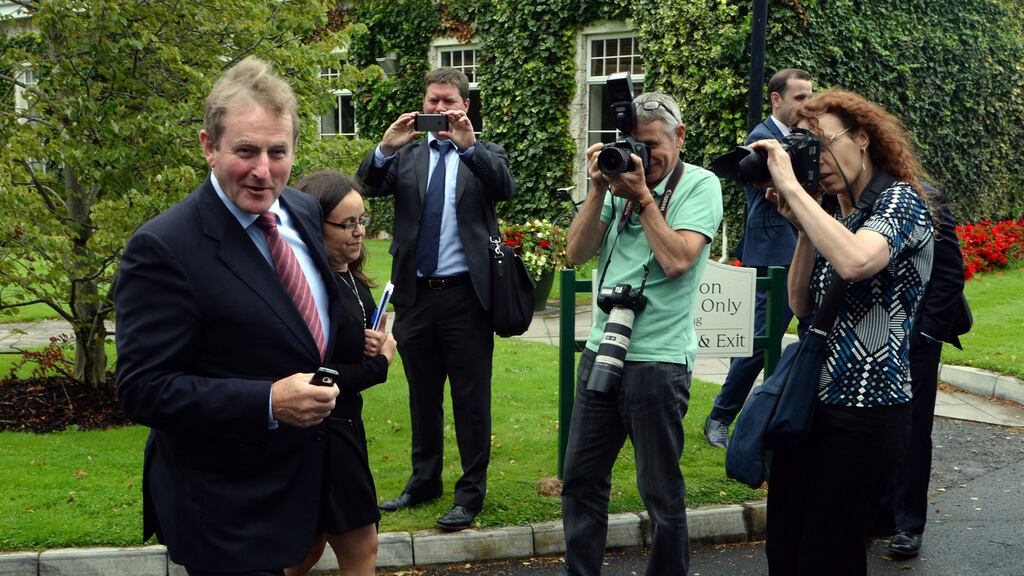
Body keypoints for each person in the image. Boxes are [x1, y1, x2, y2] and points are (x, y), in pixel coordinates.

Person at [115, 56, 342, 575]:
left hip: (306, 486)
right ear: (208, 147)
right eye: (245, 150)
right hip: (225, 510)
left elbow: (304, 330)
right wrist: (267, 401)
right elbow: (143, 388)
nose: (263, 170)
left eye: (277, 152)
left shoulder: (303, 211)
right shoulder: (164, 247)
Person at [756, 89, 934, 576]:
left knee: (829, 554)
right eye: (805, 148)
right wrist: (801, 229)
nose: (819, 160)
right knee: (786, 548)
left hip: (868, 411)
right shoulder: (833, 214)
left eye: (824, 143)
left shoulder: (902, 202)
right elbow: (801, 305)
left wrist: (793, 189)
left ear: (862, 138)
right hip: (812, 404)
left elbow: (857, 262)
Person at [561, 92, 724, 576]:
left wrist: (643, 198)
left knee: (659, 490)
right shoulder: (615, 183)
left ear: (680, 136)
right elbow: (575, 252)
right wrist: (596, 189)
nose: (643, 157)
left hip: (659, 361)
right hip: (601, 350)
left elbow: (677, 260)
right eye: (635, 146)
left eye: (653, 145)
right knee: (581, 480)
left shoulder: (700, 184)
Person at [355, 67, 516, 531]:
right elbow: (366, 185)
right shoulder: (407, 155)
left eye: (448, 101)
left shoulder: (484, 153)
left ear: (465, 105)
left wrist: (468, 147)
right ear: (422, 105)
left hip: (466, 297)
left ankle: (470, 494)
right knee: (422, 396)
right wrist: (386, 146)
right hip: (416, 297)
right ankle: (424, 481)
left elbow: (503, 187)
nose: (439, 109)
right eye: (432, 101)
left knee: (470, 399)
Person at [286, 171, 398, 576]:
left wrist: (367, 341)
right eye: (347, 223)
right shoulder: (309, 288)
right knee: (359, 547)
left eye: (362, 220)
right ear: (315, 226)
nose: (359, 233)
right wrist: (379, 363)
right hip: (324, 431)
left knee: (305, 549)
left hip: (345, 426)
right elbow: (319, 378)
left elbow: (343, 345)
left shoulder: (350, 274)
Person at [705, 68, 812, 449]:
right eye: (800, 97)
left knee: (811, 334)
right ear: (776, 99)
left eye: (809, 96)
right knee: (759, 341)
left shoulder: (803, 140)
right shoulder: (761, 141)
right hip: (773, 252)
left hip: (806, 244)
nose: (807, 104)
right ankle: (720, 415)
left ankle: (789, 414)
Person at [874, 185, 968, 558]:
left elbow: (948, 273)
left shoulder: (925, 197)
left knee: (912, 429)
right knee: (868, 424)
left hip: (915, 340)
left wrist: (924, 334)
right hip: (867, 333)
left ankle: (907, 523)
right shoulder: (850, 196)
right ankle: (877, 514)